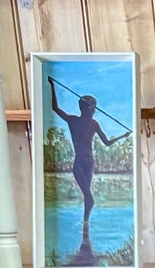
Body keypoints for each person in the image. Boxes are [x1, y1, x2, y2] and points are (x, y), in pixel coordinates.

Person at [49, 78, 129, 228]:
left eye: (95, 108)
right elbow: (55, 108)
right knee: (89, 198)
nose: (94, 111)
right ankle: (85, 224)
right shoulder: (73, 121)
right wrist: (52, 86)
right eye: (92, 108)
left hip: (89, 163)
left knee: (87, 197)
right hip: (79, 164)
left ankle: (85, 224)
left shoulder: (94, 124)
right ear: (84, 108)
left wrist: (123, 136)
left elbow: (107, 142)